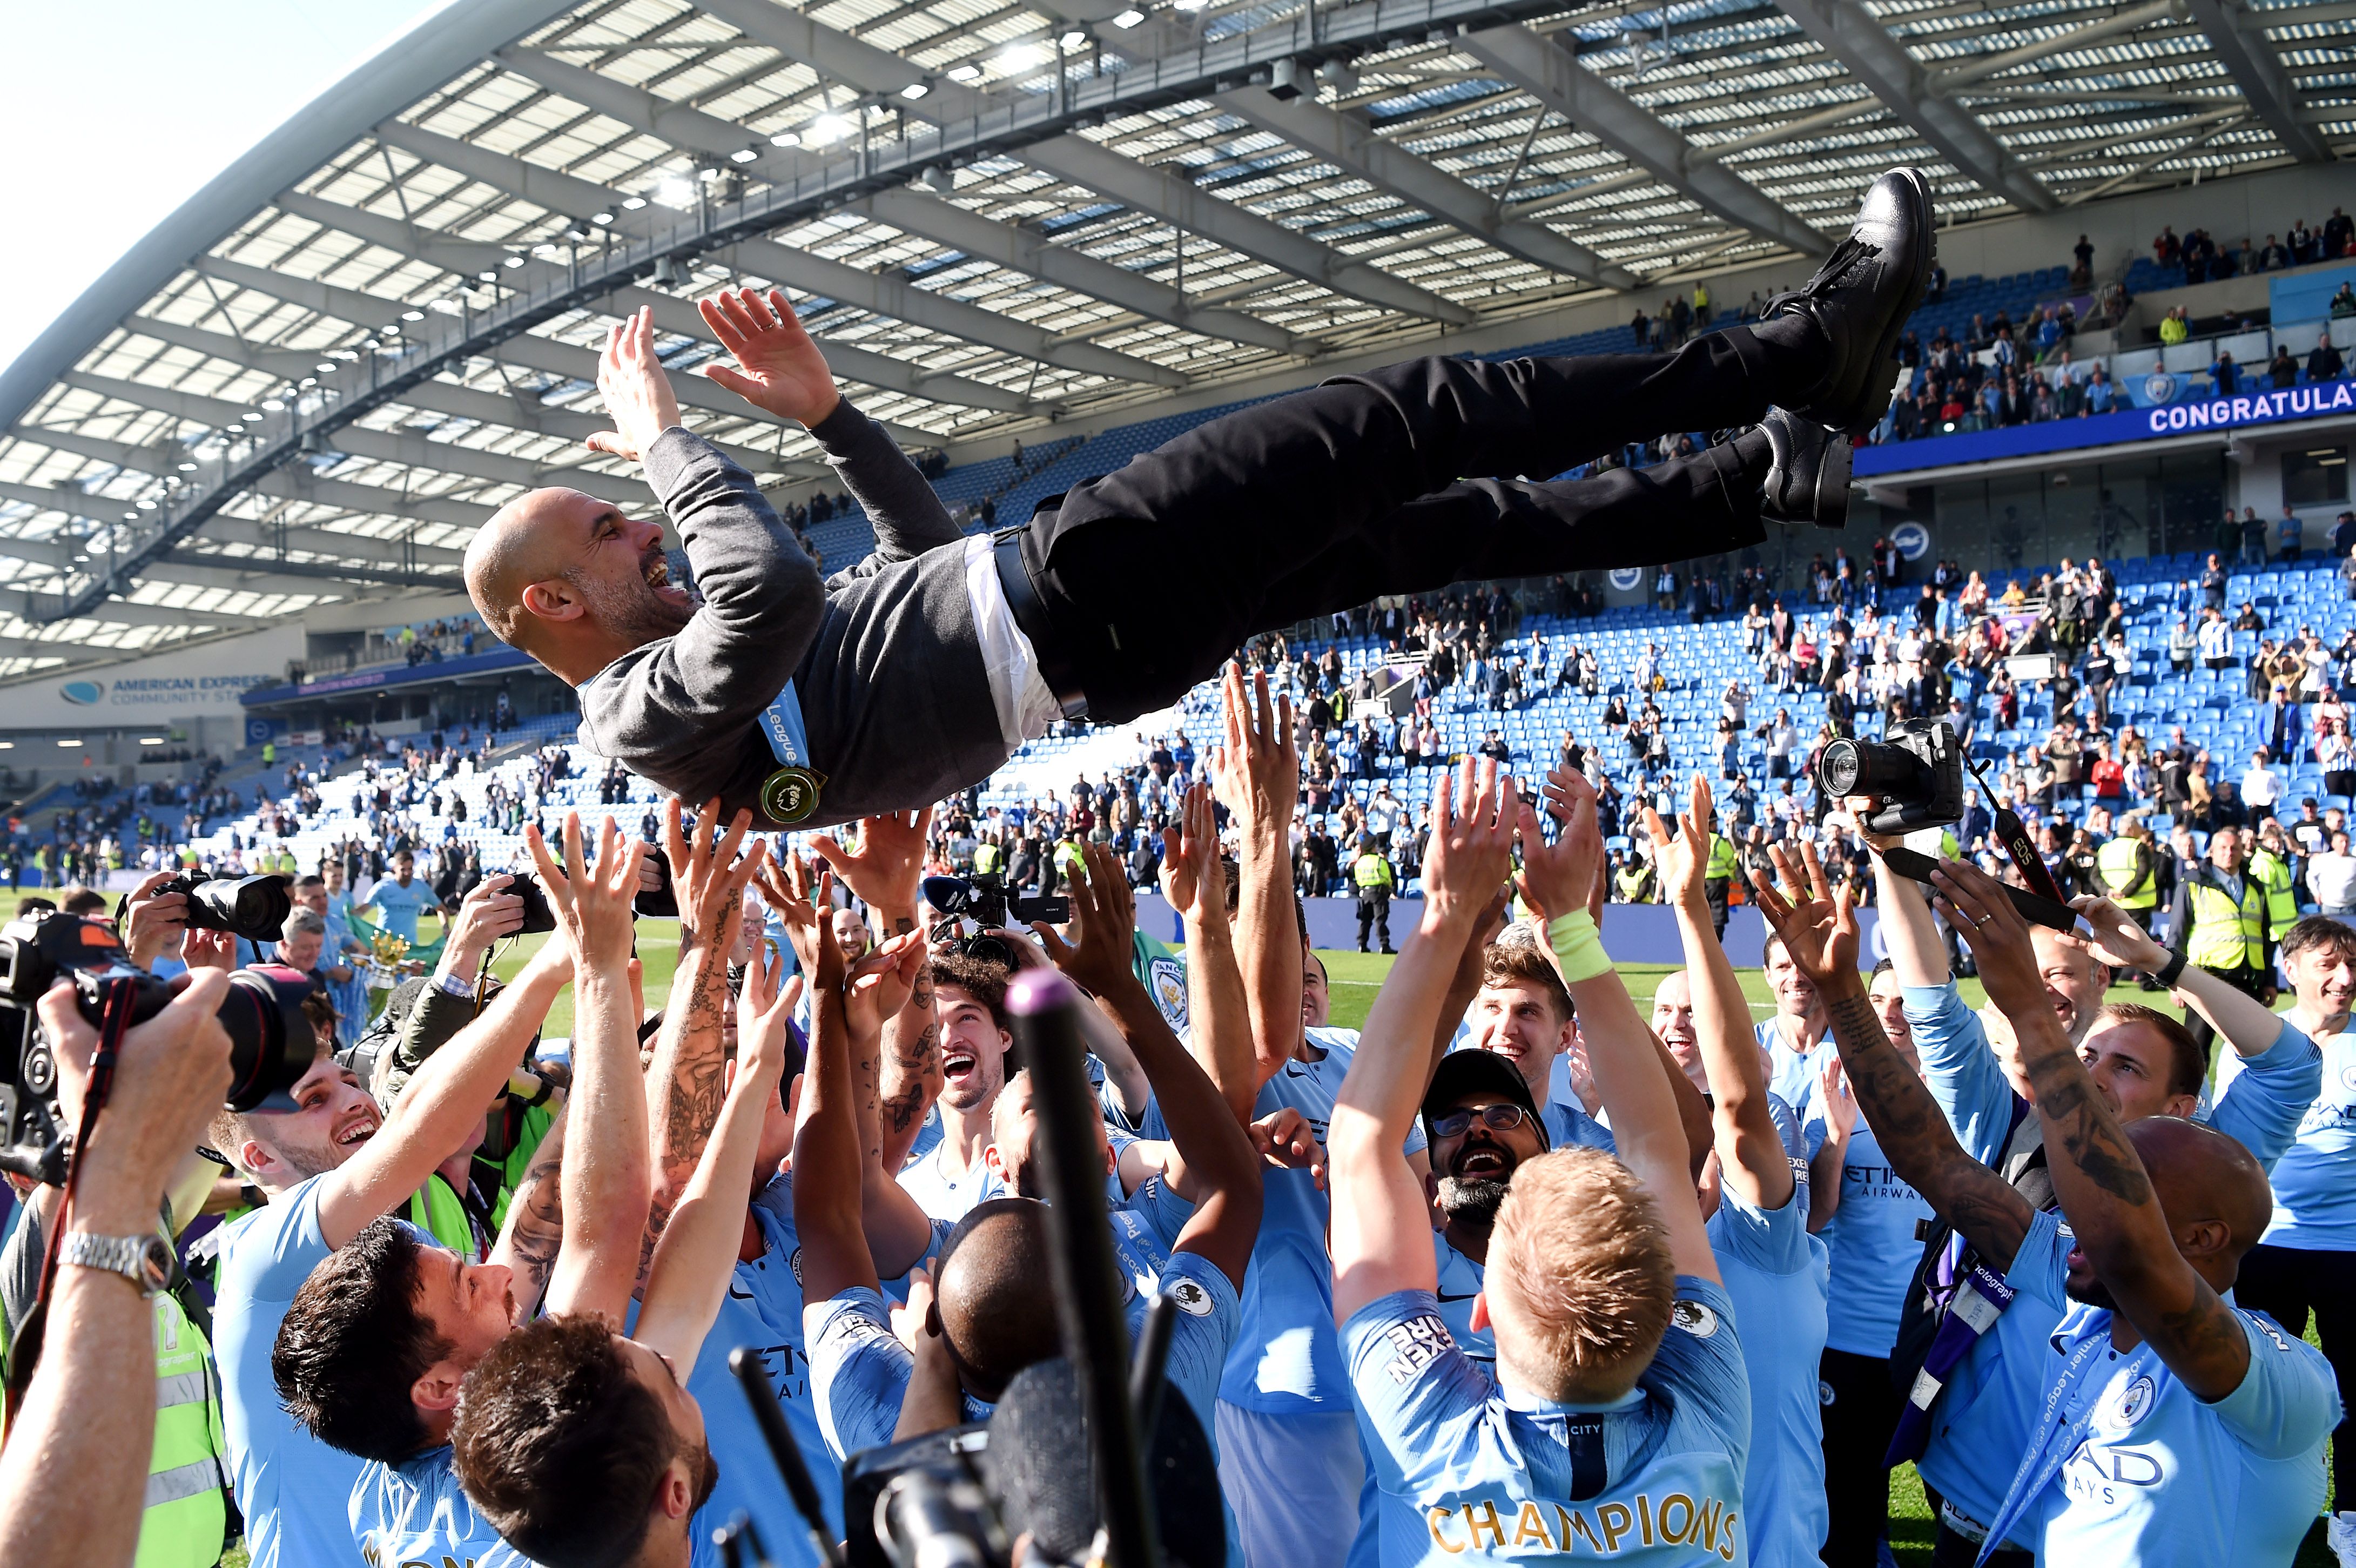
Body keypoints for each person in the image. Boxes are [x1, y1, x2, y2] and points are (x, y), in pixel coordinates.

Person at [465, 172, 1936, 828]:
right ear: (551, 603)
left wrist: (832, 417)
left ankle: (1755, 478)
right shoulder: (640, 710)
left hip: (1089, 630)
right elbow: (777, 590)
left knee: (1449, 529)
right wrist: (664, 439)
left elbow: (918, 560)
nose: (642, 522)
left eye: (630, 502)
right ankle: (1802, 356)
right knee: (1417, 417)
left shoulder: (693, 698)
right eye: (605, 533)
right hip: (1083, 590)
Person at [1755, 851, 2338, 1567]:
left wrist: (2044, 1003)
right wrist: (1842, 992)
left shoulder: (2280, 1379)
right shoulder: (2080, 1287)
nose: (2084, 1218)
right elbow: (1932, 1158)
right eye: (2087, 1057)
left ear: (2203, 1230)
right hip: (1982, 1520)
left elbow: (2141, 1253)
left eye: (2122, 1066)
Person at [1335, 763, 1751, 1566]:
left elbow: (1357, 1143)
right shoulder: (1712, 1403)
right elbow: (1661, 1151)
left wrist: (1447, 912)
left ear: (1481, 1312)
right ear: (1666, 1308)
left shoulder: (1431, 1433)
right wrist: (1570, 923)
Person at [207, 820, 597, 1568]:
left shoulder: (404, 1236)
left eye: (348, 1079)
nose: (354, 1099)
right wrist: (554, 964)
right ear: (258, 1155)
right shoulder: (266, 1256)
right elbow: (424, 1121)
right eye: (316, 1096)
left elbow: (523, 1251)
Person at [0, 958, 236, 1568]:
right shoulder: (46, 1246)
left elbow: (177, 1179)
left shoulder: (131, 1210)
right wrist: (99, 1128)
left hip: (197, 1545)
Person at [2234, 917, 2356, 1563]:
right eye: (2328, 965)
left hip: (2349, 1250)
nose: (2344, 979)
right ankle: (2259, 1506)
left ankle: (2351, 1519)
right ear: (2292, 970)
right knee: (2259, 1389)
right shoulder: (2251, 1040)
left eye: (2353, 965)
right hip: (2265, 1245)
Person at [1353, 832, 1397, 954]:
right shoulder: (1379, 861)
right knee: (1380, 919)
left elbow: (1358, 879)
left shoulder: (1360, 862)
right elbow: (1387, 878)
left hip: (1364, 893)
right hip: (1378, 893)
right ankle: (1384, 945)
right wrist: (1388, 888)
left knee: (1365, 920)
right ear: (1373, 847)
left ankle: (1362, 945)